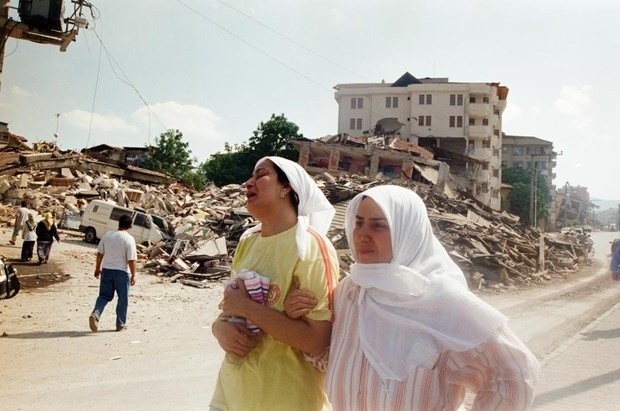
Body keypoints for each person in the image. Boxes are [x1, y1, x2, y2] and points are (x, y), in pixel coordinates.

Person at [285, 185, 540, 410]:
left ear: (407, 231)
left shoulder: (441, 300)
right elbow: (342, 359)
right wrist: (303, 318)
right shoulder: (350, 291)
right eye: (359, 222)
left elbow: (515, 374)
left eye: (379, 225)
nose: (362, 234)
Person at [211, 156, 339, 411]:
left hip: (285, 398)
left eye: (260, 175)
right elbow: (229, 307)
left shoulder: (310, 246)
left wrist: (248, 308)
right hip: (232, 393)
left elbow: (317, 341)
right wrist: (219, 328)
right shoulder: (249, 241)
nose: (248, 183)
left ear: (286, 187)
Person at [89, 214, 137, 332]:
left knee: (104, 296)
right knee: (122, 298)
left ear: (119, 223)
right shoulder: (129, 239)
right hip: (121, 272)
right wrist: (134, 275)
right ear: (130, 226)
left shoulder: (108, 235)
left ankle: (96, 313)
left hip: (106, 270)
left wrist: (97, 268)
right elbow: (131, 260)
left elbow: (100, 253)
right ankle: (120, 324)